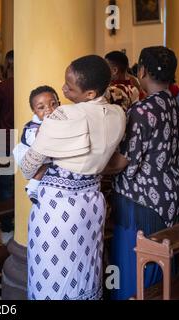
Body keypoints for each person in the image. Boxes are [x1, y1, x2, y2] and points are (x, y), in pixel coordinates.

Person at [20, 55, 126, 300]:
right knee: (85, 272)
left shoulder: (63, 116)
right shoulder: (117, 114)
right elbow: (110, 160)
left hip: (58, 210)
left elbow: (27, 167)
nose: (63, 87)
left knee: (52, 277)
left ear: (89, 93)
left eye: (69, 85)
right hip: (92, 203)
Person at [103, 46, 179, 300]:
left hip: (141, 203)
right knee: (161, 266)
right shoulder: (173, 103)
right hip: (171, 197)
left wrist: (92, 164)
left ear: (142, 71)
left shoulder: (141, 111)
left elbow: (121, 163)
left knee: (132, 266)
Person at [13, 86, 59, 203]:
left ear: (59, 104)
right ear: (34, 111)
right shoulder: (34, 126)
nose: (49, 109)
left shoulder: (60, 120)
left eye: (53, 104)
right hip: (27, 154)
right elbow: (38, 141)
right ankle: (32, 188)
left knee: (48, 165)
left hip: (42, 154)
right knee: (45, 165)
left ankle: (33, 188)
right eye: (41, 107)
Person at [0, 50, 16, 244]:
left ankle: (7, 226)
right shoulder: (28, 83)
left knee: (5, 185)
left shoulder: (2, 88)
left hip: (4, 138)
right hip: (24, 139)